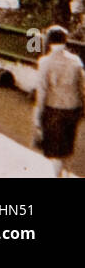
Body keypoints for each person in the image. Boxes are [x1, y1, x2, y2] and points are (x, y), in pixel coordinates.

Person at [33, 25, 85, 177]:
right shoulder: (76, 60)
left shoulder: (45, 62)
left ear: (49, 41)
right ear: (65, 41)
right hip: (73, 108)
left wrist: (37, 115)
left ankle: (58, 176)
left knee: (56, 149)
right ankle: (67, 174)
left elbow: (41, 91)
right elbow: (82, 86)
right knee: (68, 146)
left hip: (53, 109)